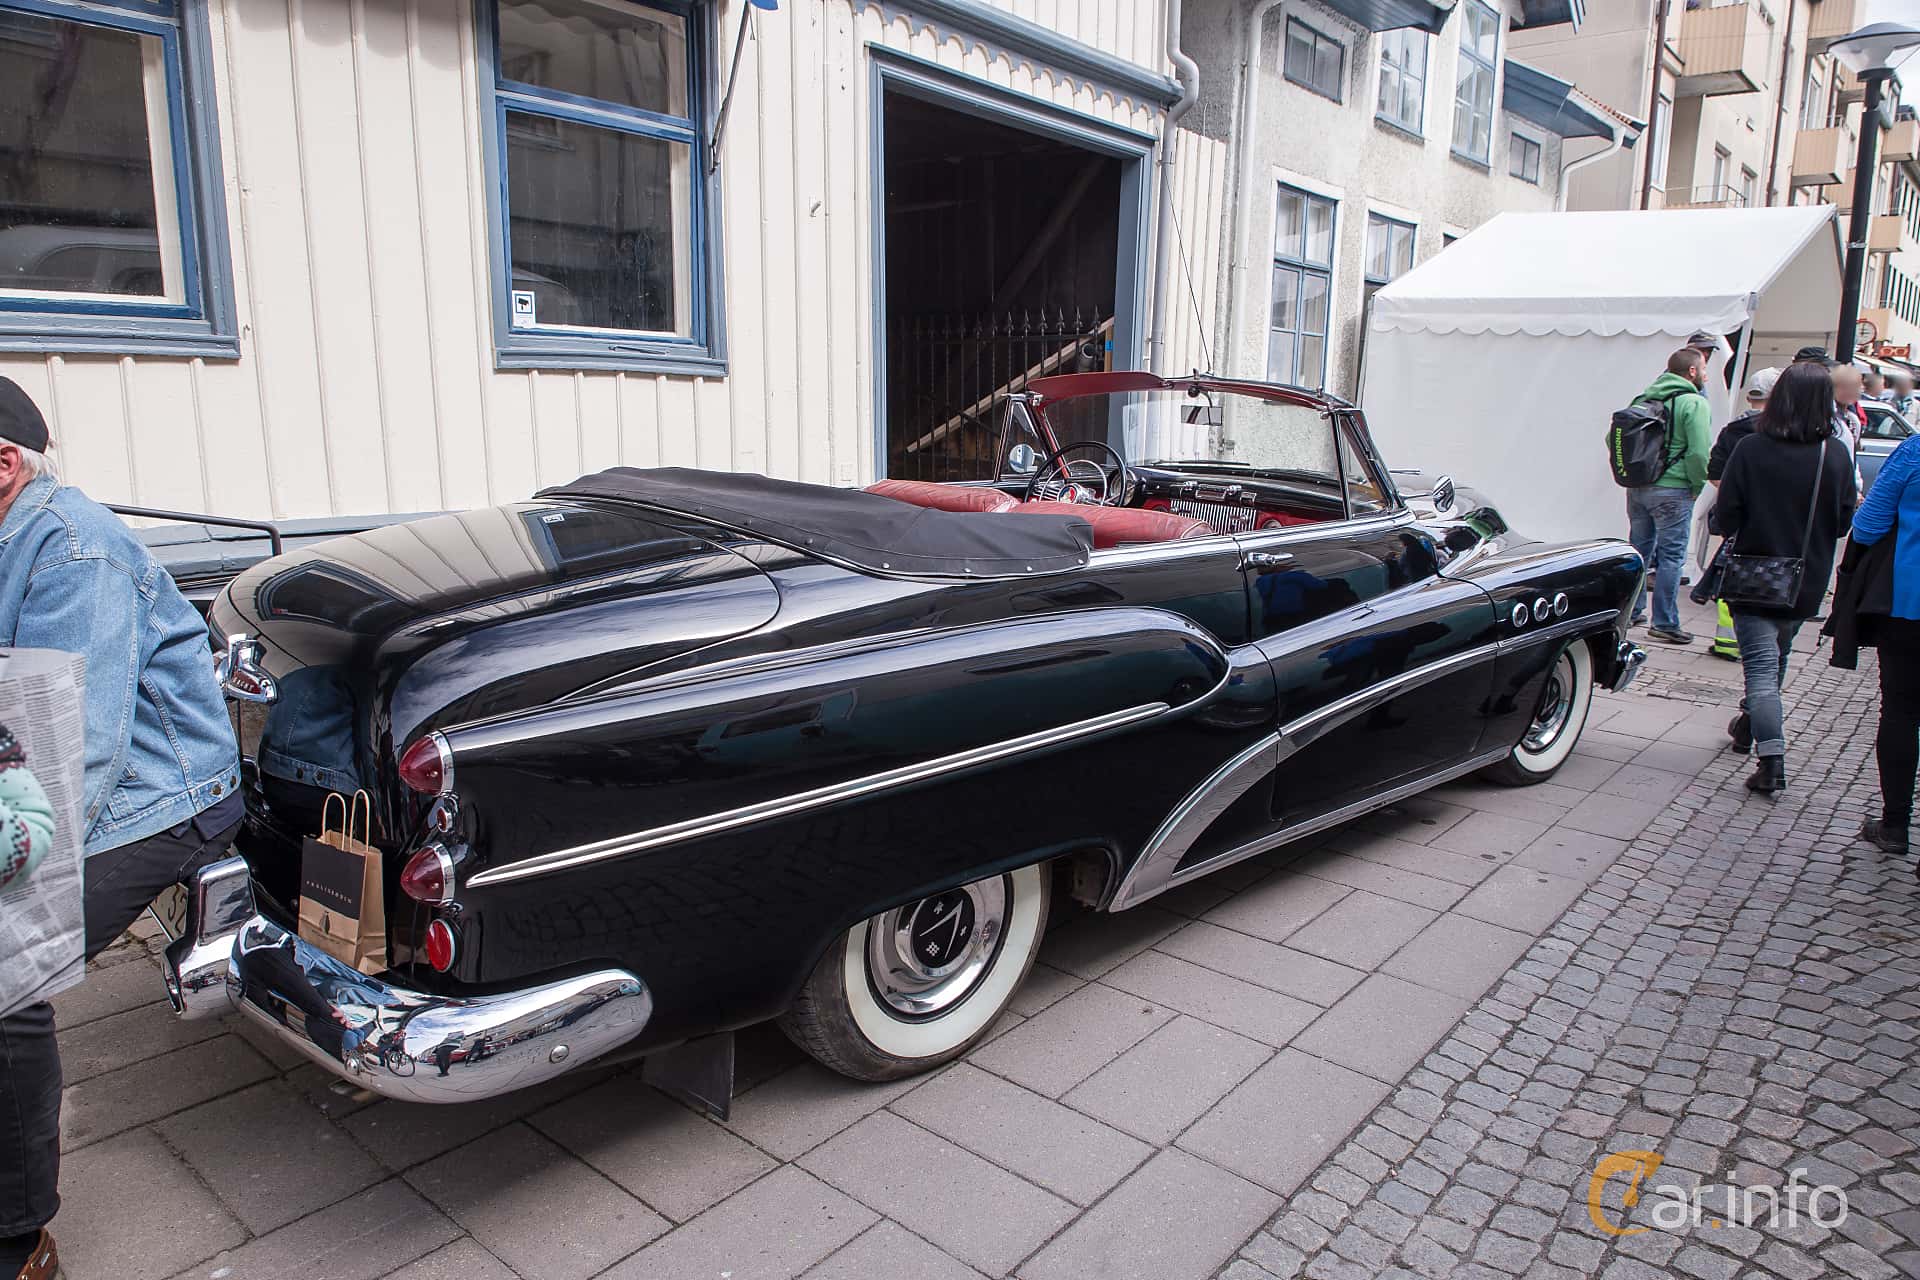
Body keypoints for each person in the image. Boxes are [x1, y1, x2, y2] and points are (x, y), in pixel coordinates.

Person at [0, 377, 241, 1280]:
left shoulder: (73, 550)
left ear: (2, 464)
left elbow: (75, 753)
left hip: (161, 798)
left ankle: (19, 1241)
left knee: (6, 971)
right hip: (46, 783)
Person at [1713, 361, 1858, 795]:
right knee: (1777, 657)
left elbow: (1725, 516)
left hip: (1755, 576)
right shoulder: (1834, 454)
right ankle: (1748, 727)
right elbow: (1842, 524)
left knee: (1761, 669)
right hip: (1805, 580)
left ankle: (1772, 761)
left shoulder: (1751, 448)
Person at [1848, 428, 1920, 855]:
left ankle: (1895, 824)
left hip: (1910, 602)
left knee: (1901, 711)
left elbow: (1868, 525)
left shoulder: (1914, 452)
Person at [1627, 348, 1714, 645]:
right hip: (1674, 489)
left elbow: (1615, 438)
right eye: (1704, 369)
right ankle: (1664, 622)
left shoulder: (1643, 399)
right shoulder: (1693, 402)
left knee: (1638, 552)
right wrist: (1696, 485)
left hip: (1638, 487)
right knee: (1671, 557)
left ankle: (1632, 611)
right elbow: (1699, 452)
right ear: (1692, 371)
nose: (1706, 376)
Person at [1701, 367, 1780, 661]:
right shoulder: (1783, 433)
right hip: (1774, 518)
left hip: (1737, 519)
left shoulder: (1733, 430)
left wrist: (1735, 495)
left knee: (1731, 575)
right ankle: (1760, 643)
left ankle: (1728, 640)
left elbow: (1714, 473)